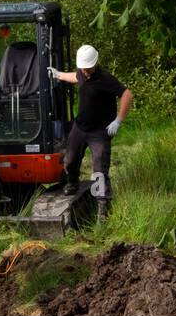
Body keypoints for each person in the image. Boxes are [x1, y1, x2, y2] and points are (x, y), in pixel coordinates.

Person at [49, 44, 133, 219]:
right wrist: (58, 75)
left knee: (99, 170)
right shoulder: (82, 72)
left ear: (95, 64)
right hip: (80, 128)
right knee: (70, 160)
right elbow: (75, 77)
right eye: (83, 69)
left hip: (99, 133)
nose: (85, 72)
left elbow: (127, 94)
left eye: (88, 69)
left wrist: (118, 120)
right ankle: (72, 182)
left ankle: (102, 206)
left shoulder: (105, 79)